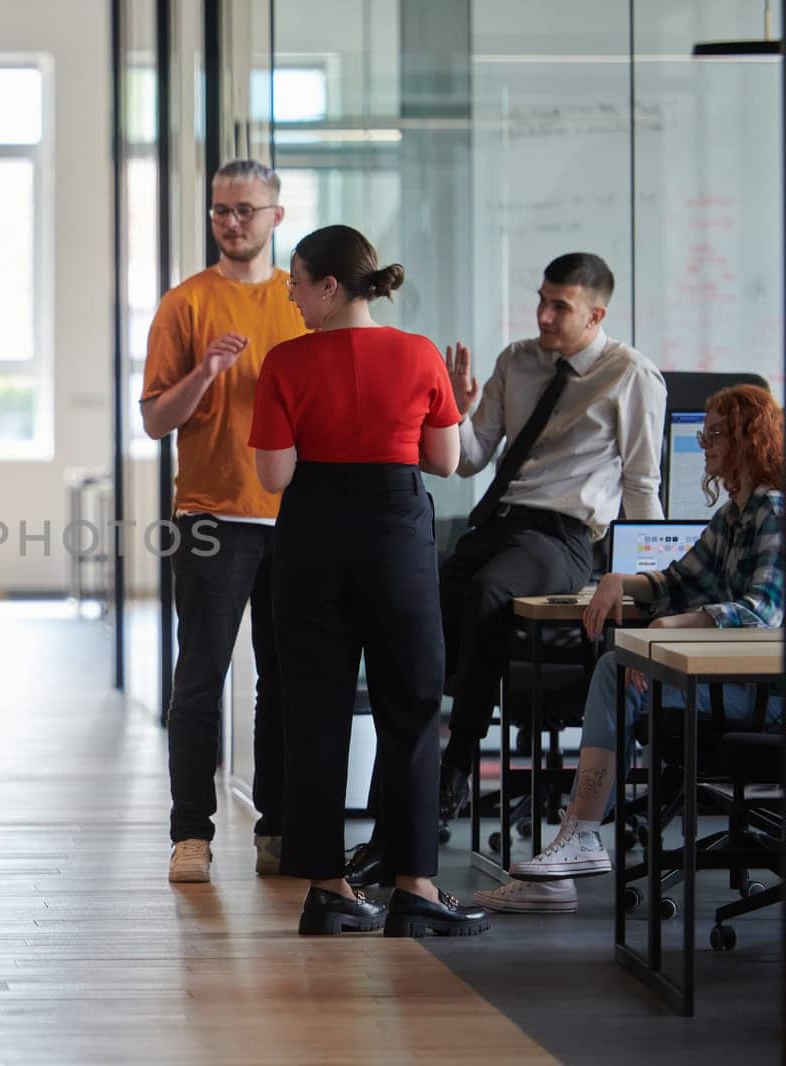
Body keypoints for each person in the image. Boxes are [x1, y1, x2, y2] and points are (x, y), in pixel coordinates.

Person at [347, 252, 667, 888]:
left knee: (493, 591)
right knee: (419, 604)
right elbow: (466, 459)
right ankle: (396, 800)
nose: (544, 316)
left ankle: (459, 763)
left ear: (596, 313)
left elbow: (641, 488)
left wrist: (649, 585)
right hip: (497, 527)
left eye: (561, 307)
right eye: (541, 301)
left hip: (565, 538)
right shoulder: (518, 360)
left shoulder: (631, 376)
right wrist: (450, 407)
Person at [252, 224, 489, 937]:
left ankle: (329, 889)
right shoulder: (419, 355)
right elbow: (445, 463)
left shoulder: (285, 363)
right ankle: (415, 886)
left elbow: (274, 476)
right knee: (412, 708)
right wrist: (446, 406)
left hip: (312, 536)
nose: (290, 297)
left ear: (329, 286)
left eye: (295, 283)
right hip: (394, 536)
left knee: (314, 713)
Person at [475, 384, 784, 913]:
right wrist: (623, 580)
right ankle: (571, 852)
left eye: (715, 434)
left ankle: (575, 846)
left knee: (617, 670)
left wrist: (665, 630)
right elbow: (678, 580)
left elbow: (760, 614)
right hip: (725, 682)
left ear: (746, 440)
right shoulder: (734, 515)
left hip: (762, 692)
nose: (704, 445)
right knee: (617, 668)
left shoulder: (772, 511)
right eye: (702, 433)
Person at [139, 159, 308, 884]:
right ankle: (190, 835)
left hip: (295, 518)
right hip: (210, 517)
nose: (231, 223)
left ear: (276, 216)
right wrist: (205, 372)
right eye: (220, 212)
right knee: (200, 678)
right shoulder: (186, 305)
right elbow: (153, 421)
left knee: (284, 681)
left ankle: (276, 828)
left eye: (245, 210)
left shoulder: (301, 303)